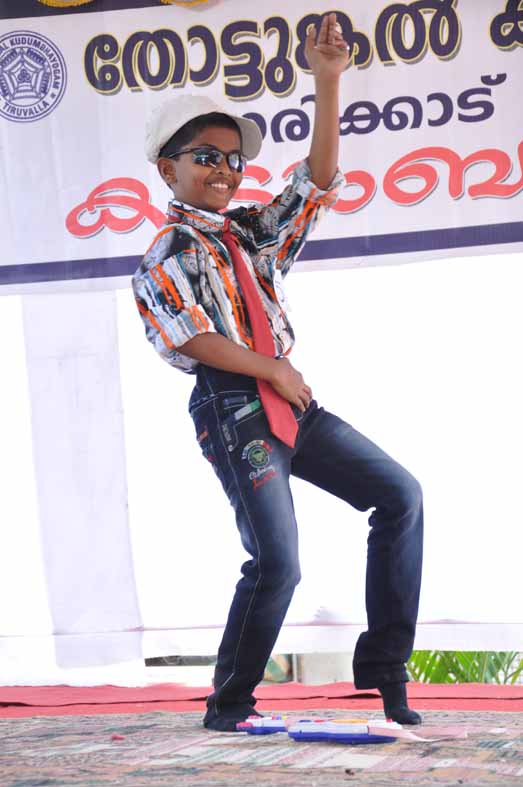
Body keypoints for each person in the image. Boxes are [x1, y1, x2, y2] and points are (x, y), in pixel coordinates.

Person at [133, 13, 423, 732]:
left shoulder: (251, 235)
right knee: (277, 561)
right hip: (235, 408)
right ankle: (230, 702)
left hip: (289, 398)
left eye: (233, 160)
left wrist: (326, 82)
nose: (224, 170)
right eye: (205, 156)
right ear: (168, 169)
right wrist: (271, 367)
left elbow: (313, 185)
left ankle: (386, 671)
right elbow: (189, 336)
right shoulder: (165, 252)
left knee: (399, 495)